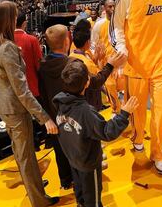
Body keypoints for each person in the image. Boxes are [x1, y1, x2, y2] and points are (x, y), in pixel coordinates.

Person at [0, 0, 59, 207]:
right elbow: (22, 90)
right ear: (8, 20)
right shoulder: (7, 48)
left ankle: (32, 183)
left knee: (20, 153)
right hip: (16, 108)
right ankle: (39, 199)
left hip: (2, 106)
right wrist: (44, 118)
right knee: (25, 154)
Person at [110, 0, 162, 174]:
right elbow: (116, 24)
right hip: (136, 62)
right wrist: (121, 48)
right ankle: (138, 139)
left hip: (161, 62)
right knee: (137, 110)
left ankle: (158, 152)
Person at [39, 24, 126, 189]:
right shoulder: (72, 63)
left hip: (55, 115)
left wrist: (47, 118)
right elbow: (95, 82)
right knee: (79, 151)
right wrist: (110, 65)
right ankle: (83, 187)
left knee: (60, 149)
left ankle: (65, 181)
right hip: (75, 115)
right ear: (67, 41)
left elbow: (41, 94)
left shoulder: (42, 65)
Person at [53, 59, 139, 207]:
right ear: (87, 83)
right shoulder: (86, 112)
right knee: (93, 195)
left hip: (72, 156)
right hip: (88, 162)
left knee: (79, 186)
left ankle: (81, 204)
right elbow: (107, 132)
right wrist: (124, 113)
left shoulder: (60, 101)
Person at [91, 0, 121, 114]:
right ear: (104, 8)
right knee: (110, 87)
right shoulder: (99, 25)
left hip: (121, 61)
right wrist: (97, 60)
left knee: (126, 90)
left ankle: (127, 114)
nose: (112, 9)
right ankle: (116, 111)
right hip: (107, 63)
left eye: (114, 6)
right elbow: (94, 44)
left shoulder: (120, 22)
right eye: (109, 7)